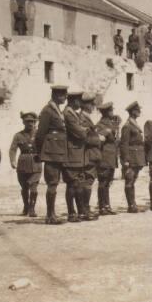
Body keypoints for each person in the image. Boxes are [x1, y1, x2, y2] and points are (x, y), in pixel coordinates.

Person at [35, 85, 68, 225]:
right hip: (51, 152)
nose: (65, 98)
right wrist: (39, 152)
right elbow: (40, 134)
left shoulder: (57, 110)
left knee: (54, 183)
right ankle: (49, 215)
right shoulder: (47, 111)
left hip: (58, 151)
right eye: (63, 95)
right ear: (55, 95)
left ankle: (52, 214)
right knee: (52, 183)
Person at [62, 91, 88, 223]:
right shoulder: (68, 113)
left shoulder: (73, 113)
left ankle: (81, 212)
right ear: (74, 101)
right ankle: (71, 213)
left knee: (78, 184)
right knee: (72, 184)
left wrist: (84, 129)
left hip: (76, 153)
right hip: (71, 154)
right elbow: (80, 133)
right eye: (79, 100)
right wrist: (86, 130)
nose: (81, 103)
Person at [9, 111, 41, 217]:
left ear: (35, 122)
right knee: (24, 187)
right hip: (23, 164)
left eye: (32, 121)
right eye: (27, 122)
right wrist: (12, 161)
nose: (30, 123)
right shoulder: (18, 135)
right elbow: (13, 149)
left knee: (34, 187)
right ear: (23, 122)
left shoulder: (39, 134)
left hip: (36, 162)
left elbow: (45, 146)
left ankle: (32, 208)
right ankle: (26, 207)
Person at [120, 101, 145, 213]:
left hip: (136, 156)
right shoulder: (127, 126)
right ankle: (131, 205)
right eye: (137, 110)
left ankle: (133, 203)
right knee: (129, 180)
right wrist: (126, 160)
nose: (139, 112)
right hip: (131, 157)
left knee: (133, 180)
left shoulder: (134, 124)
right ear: (132, 112)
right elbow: (124, 144)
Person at [79, 93, 100, 221]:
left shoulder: (86, 118)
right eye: (91, 104)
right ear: (84, 105)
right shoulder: (82, 118)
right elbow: (85, 138)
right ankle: (84, 210)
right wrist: (99, 139)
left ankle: (85, 209)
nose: (93, 106)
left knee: (88, 181)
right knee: (87, 182)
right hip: (87, 154)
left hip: (91, 154)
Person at [95, 102, 119, 215]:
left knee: (108, 182)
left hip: (111, 158)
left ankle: (107, 205)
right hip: (104, 158)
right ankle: (102, 206)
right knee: (103, 182)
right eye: (111, 110)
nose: (112, 112)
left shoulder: (111, 124)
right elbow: (99, 141)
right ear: (106, 112)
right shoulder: (100, 125)